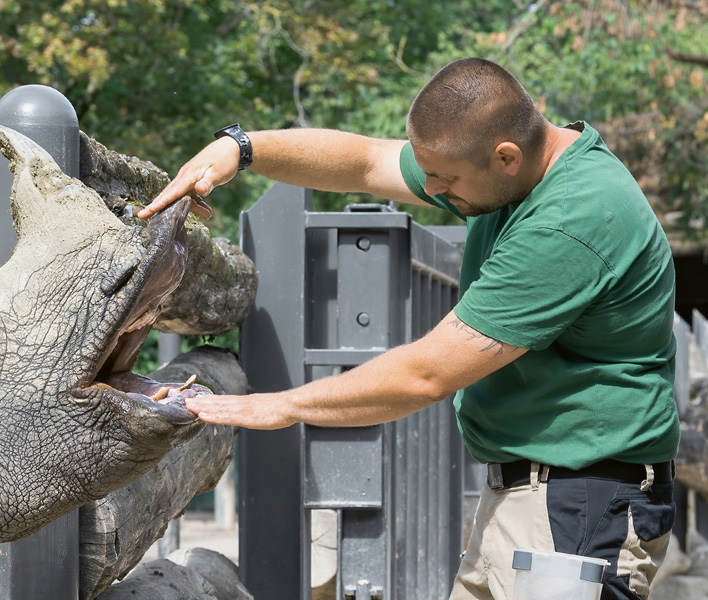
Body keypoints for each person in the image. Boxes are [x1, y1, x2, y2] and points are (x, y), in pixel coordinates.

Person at [138, 57, 679, 600]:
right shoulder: (509, 168)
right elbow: (368, 161)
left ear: (506, 157)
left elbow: (427, 375)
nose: (435, 191)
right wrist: (241, 148)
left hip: (579, 506)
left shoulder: (572, 219)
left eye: (445, 181)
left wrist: (282, 406)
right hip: (526, 492)